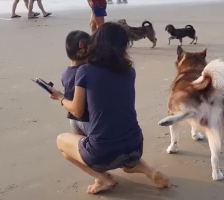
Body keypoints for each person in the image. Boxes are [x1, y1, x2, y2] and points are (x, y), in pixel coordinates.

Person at [48, 22, 170, 194]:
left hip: (102, 154)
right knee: (124, 155)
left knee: (63, 138)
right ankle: (148, 170)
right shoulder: (129, 70)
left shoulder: (85, 71)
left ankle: (103, 179)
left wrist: (60, 97)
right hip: (135, 147)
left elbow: (76, 111)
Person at [62, 30, 92, 136]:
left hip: (73, 119)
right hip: (87, 120)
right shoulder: (86, 72)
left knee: (78, 148)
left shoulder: (66, 74)